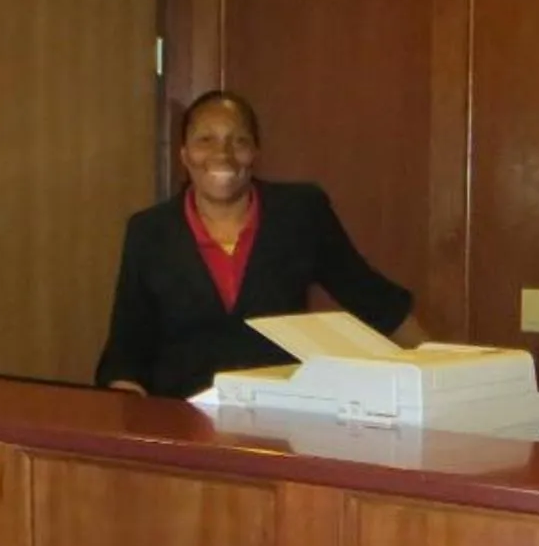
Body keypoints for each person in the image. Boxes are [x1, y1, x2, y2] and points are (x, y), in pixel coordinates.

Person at [95, 92, 420, 397]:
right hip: (181, 426)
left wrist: (443, 375)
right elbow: (127, 348)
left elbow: (375, 299)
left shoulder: (300, 215)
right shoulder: (149, 232)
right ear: (184, 155)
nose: (222, 155)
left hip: (281, 420)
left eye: (239, 141)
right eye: (205, 140)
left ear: (256, 153)